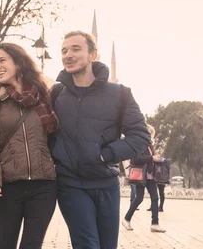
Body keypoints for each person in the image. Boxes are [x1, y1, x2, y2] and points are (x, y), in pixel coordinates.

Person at [50, 31, 151, 249]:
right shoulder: (55, 94)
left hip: (107, 184)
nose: (68, 55)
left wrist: (106, 154)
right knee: (87, 245)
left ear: (93, 54)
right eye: (64, 50)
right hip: (70, 184)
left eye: (76, 49)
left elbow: (140, 136)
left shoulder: (120, 94)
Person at [0, 42, 60, 249]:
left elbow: (56, 138)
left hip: (43, 186)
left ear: (19, 63)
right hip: (7, 186)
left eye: (2, 60)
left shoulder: (45, 95)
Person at [122, 124, 166, 233]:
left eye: (151, 134)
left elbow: (151, 159)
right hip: (141, 175)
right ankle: (126, 219)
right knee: (139, 198)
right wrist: (152, 158)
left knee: (155, 198)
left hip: (150, 176)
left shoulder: (149, 146)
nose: (150, 136)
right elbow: (135, 160)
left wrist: (157, 159)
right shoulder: (138, 145)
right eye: (149, 133)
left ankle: (155, 224)